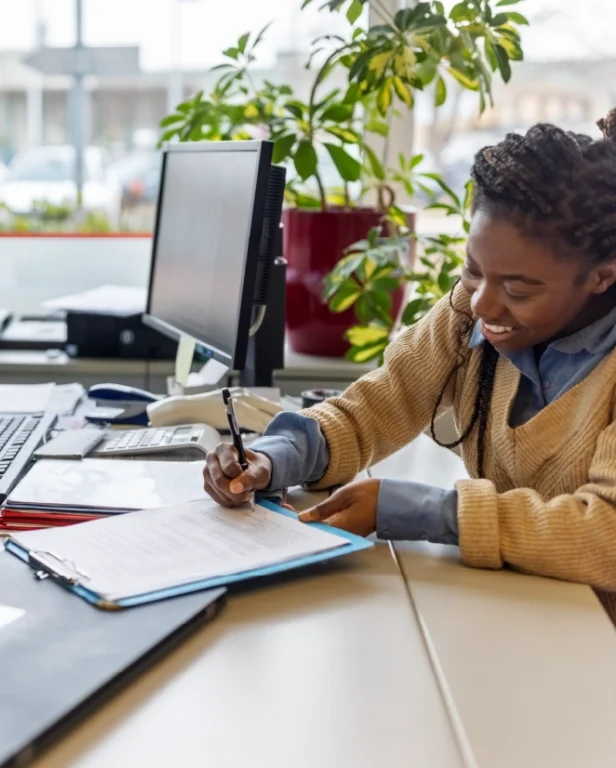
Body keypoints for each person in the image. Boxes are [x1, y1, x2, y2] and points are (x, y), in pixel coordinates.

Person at [205, 111, 616, 621]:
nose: (484, 304)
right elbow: (383, 400)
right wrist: (276, 456)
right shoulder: (471, 309)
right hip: (515, 611)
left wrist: (429, 512)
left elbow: (605, 532)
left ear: (601, 275)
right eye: (472, 269)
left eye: (518, 289)